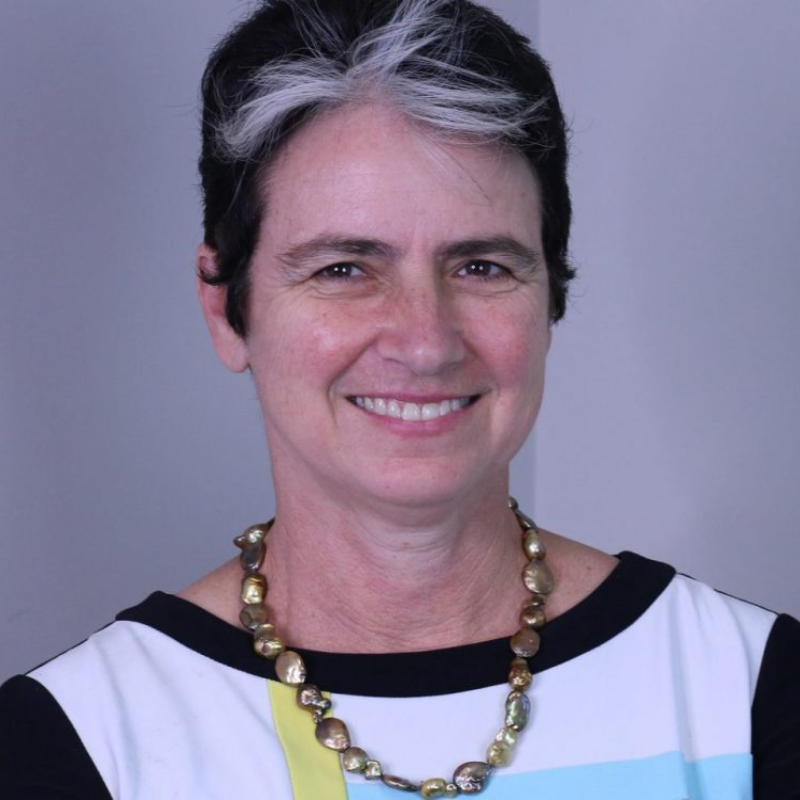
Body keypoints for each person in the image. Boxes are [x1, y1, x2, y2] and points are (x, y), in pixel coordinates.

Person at [1, 0, 798, 797]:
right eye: (343, 269)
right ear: (227, 310)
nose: (424, 341)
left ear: (551, 296)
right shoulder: (76, 741)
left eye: (482, 265)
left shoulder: (750, 694)